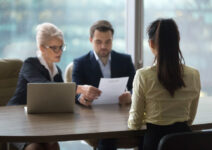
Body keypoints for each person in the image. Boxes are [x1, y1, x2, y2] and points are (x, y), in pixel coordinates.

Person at [7, 23, 101, 150]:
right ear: (42, 48)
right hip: (17, 118)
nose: (60, 52)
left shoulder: (56, 71)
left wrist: (80, 99)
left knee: (53, 145)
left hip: (38, 119)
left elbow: (61, 97)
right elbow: (44, 87)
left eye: (61, 47)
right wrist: (80, 88)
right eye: (55, 48)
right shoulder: (30, 64)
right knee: (35, 148)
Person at [128, 18, 201, 150]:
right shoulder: (194, 75)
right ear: (178, 41)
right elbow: (189, 118)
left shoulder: (143, 75)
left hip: (154, 144)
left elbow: (135, 123)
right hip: (184, 142)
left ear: (151, 44)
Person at [72, 20, 136, 150]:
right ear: (91, 40)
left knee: (147, 133)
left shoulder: (125, 60)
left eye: (108, 41)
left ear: (112, 40)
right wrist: (81, 98)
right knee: (108, 137)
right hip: (94, 115)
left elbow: (136, 87)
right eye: (98, 42)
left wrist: (130, 95)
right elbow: (75, 91)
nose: (103, 46)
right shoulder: (80, 63)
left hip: (121, 111)